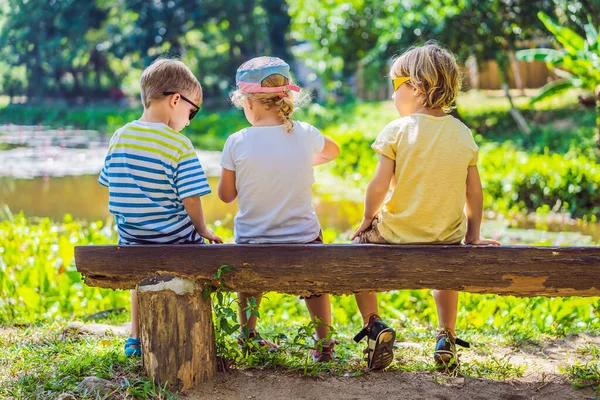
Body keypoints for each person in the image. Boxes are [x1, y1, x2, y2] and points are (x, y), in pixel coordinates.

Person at [351, 42, 500, 368]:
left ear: (416, 87)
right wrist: (472, 235)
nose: (392, 95)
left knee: (356, 254)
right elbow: (474, 193)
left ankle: (373, 324)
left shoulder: (397, 131)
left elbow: (377, 186)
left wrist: (366, 219)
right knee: (445, 276)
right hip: (445, 236)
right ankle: (446, 334)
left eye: (395, 85)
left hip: (394, 233)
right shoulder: (462, 133)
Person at [218, 56, 340, 361]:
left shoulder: (236, 141)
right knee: (316, 282)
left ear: (248, 102)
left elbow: (226, 196)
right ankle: (324, 343)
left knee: (248, 274)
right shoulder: (305, 132)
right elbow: (333, 151)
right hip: (303, 240)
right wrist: (300, 161)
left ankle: (248, 335)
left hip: (253, 243)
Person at [98, 58, 222, 357]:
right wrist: (203, 229)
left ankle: (135, 338)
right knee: (201, 246)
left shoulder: (120, 136)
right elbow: (191, 198)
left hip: (131, 241)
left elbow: (109, 183)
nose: (190, 119)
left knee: (139, 278)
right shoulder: (178, 145)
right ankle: (196, 331)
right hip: (174, 240)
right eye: (192, 111)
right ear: (176, 100)